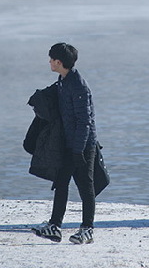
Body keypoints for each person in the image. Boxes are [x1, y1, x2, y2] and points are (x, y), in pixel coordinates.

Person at [32, 43, 99, 245]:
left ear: (59, 62)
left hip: (83, 145)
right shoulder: (63, 81)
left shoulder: (78, 85)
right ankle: (54, 226)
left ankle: (87, 229)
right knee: (61, 183)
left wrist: (79, 150)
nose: (49, 62)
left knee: (85, 186)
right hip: (69, 143)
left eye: (51, 59)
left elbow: (85, 120)